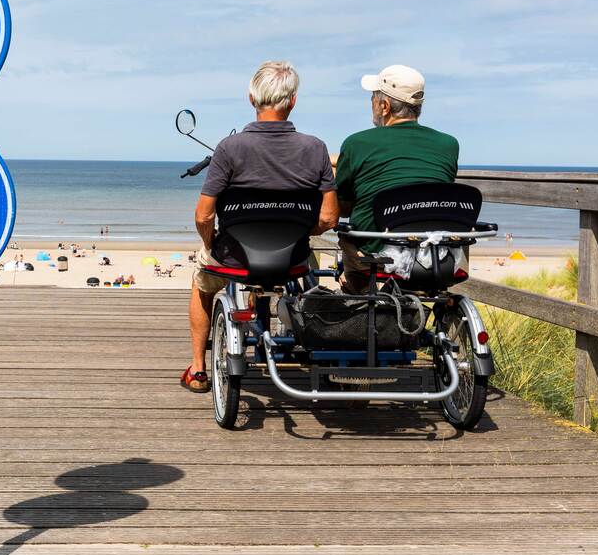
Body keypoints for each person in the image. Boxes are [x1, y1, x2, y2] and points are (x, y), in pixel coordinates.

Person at [186, 60, 339, 393]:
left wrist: (210, 242)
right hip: (292, 258)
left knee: (202, 283)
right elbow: (328, 218)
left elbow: (203, 215)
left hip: (236, 257)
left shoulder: (230, 148)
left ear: (251, 98)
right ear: (293, 100)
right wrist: (304, 232)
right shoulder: (315, 148)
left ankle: (198, 369)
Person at [334, 64, 459, 293]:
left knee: (347, 236)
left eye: (373, 97)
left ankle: (359, 299)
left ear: (384, 106)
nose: (371, 103)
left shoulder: (357, 143)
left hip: (377, 254)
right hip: (434, 253)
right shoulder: (448, 144)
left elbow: (341, 207)